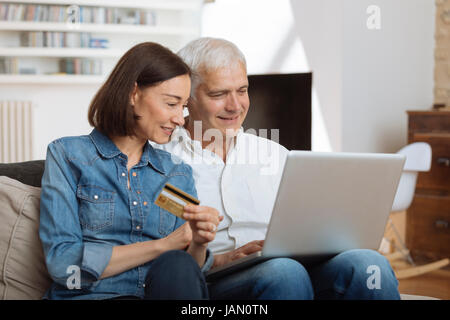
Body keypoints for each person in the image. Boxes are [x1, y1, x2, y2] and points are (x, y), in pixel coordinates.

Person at [157, 37, 401, 300]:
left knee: (368, 265)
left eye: (242, 90)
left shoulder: (274, 153)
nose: (235, 106)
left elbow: (310, 221)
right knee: (285, 272)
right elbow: (167, 249)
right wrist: (223, 258)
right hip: (218, 277)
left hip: (288, 265)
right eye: (219, 94)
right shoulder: (163, 161)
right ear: (187, 97)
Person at [38, 42, 222, 300]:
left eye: (183, 108)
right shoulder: (68, 156)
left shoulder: (176, 172)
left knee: (178, 265)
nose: (180, 119)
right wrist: (162, 246)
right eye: (171, 104)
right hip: (92, 296)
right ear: (133, 94)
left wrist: (199, 242)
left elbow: (186, 271)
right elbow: (63, 265)